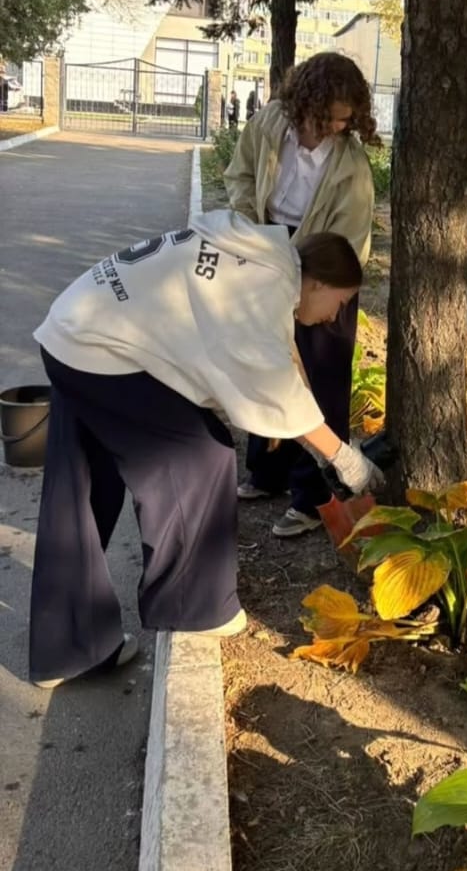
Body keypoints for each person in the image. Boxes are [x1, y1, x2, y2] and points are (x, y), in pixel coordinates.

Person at [29, 210, 381, 689]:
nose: (334, 316)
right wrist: (346, 459)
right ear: (317, 283)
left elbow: (280, 374)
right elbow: (277, 390)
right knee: (200, 460)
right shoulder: (266, 287)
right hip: (101, 351)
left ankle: (68, 649)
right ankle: (192, 607)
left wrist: (327, 448)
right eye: (338, 303)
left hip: (75, 329)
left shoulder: (258, 255)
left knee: (81, 489)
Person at [224, 52, 378, 538]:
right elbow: (241, 177)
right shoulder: (270, 124)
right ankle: (265, 472)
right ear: (304, 103)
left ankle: (312, 496)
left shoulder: (351, 164)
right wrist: (257, 237)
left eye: (346, 118)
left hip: (324, 268)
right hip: (265, 247)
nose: (336, 125)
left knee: (320, 377)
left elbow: (346, 240)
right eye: (329, 115)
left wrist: (302, 276)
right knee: (266, 360)